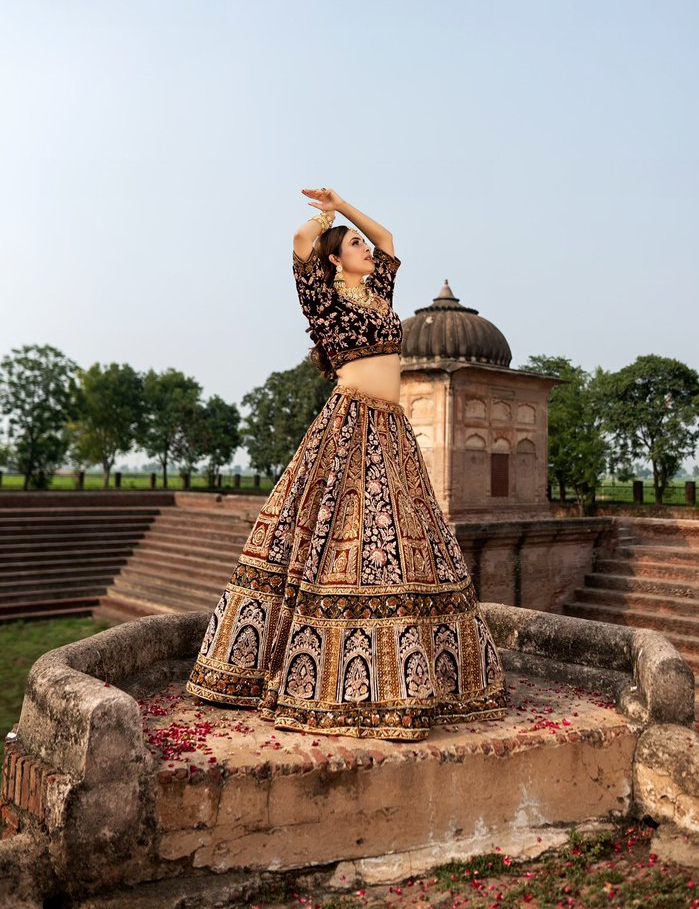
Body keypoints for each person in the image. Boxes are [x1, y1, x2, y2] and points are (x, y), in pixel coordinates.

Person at [185, 188, 510, 740]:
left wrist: (347, 205)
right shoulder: (325, 299)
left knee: (401, 540)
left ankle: (413, 677)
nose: (364, 247)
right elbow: (299, 242)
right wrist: (325, 218)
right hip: (349, 421)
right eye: (352, 245)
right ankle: (317, 675)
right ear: (335, 260)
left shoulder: (379, 296)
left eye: (359, 244)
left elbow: (387, 241)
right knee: (340, 533)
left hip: (389, 425)